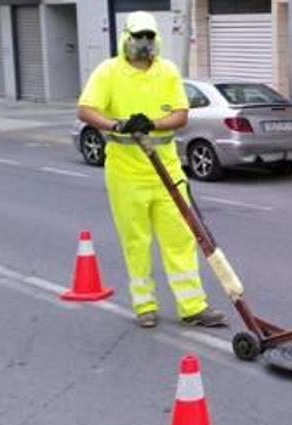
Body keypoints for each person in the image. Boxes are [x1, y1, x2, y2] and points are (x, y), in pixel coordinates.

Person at [77, 11, 226, 329]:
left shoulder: (167, 72)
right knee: (137, 241)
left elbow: (181, 115)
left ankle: (193, 306)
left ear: (155, 39)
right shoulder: (109, 72)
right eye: (138, 37)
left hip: (167, 170)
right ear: (126, 38)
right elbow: (86, 109)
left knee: (182, 240)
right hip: (126, 173)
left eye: (148, 38)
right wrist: (116, 123)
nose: (143, 44)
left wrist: (152, 123)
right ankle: (145, 305)